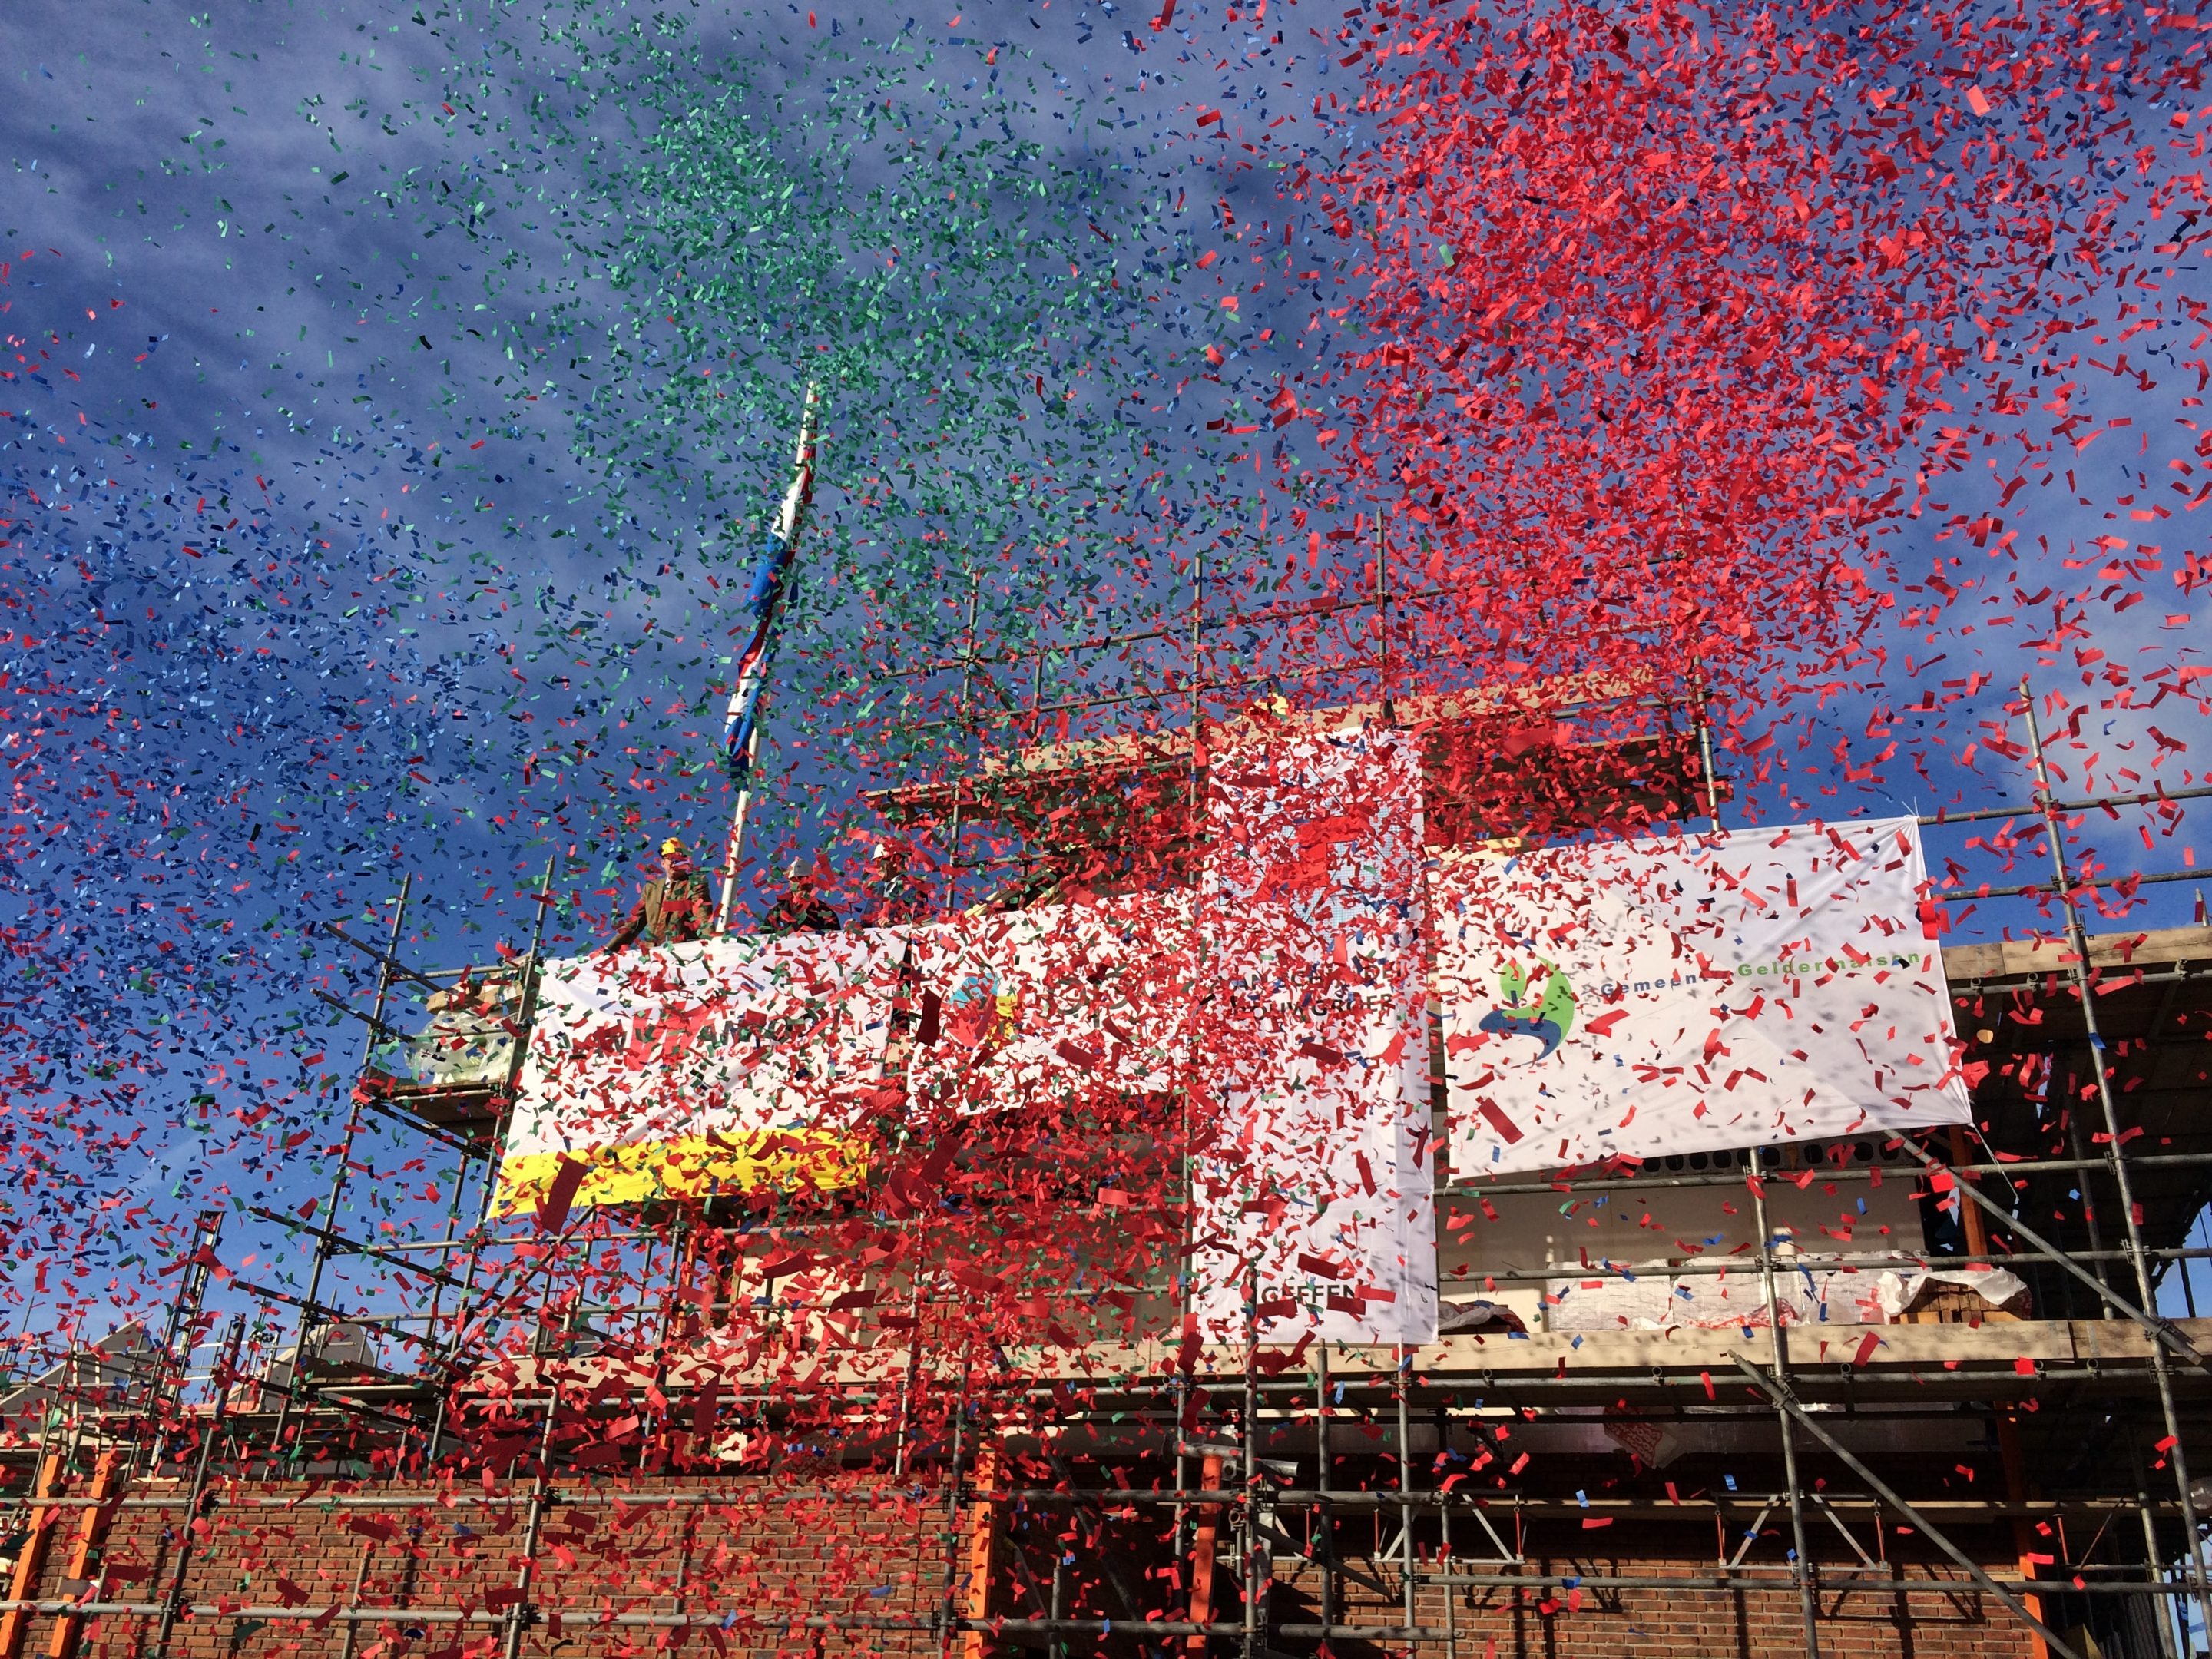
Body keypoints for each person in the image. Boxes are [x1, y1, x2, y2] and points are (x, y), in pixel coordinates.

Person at [603, 838, 714, 955]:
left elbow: (702, 913)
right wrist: (610, 948)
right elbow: (635, 922)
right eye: (671, 858)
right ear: (663, 863)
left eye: (679, 859)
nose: (675, 863)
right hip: (653, 953)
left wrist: (711, 941)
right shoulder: (651, 888)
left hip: (683, 951)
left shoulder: (695, 883)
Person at [758, 858, 840, 935]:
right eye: (796, 879)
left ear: (812, 883)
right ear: (790, 884)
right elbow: (764, 939)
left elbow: (836, 940)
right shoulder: (777, 911)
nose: (802, 884)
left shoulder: (826, 912)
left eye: (806, 879)